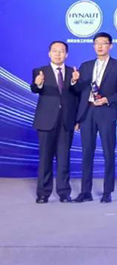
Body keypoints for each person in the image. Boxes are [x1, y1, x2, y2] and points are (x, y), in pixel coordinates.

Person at [72, 32, 117, 203]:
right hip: (87, 112)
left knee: (108, 152)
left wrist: (107, 99)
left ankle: (107, 192)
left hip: (107, 111)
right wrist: (74, 82)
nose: (100, 46)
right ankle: (85, 191)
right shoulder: (85, 66)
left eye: (104, 43)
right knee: (86, 152)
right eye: (97, 43)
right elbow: (78, 92)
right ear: (93, 46)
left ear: (110, 46)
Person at [30, 41, 79, 203]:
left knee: (64, 159)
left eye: (61, 51)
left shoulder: (73, 72)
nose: (58, 54)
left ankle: (64, 193)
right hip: (46, 121)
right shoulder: (40, 71)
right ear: (49, 53)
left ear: (67, 54)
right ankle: (43, 193)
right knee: (45, 159)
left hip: (66, 121)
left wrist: (75, 82)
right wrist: (38, 83)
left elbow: (77, 95)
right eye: (55, 51)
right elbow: (35, 89)